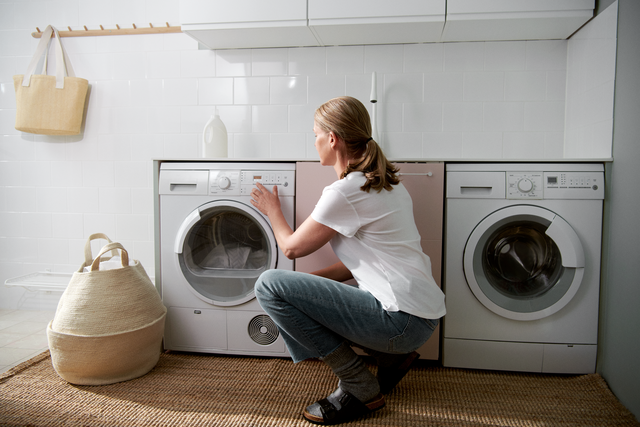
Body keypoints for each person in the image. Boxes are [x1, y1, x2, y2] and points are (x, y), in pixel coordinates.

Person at [250, 96, 445, 425]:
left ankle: (358, 383)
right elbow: (360, 265)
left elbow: (292, 249)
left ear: (332, 139)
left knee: (268, 285)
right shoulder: (387, 185)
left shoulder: (345, 192)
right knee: (293, 293)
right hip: (421, 318)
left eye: (315, 134)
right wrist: (310, 295)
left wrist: (273, 211)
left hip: (400, 321)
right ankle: (390, 358)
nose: (314, 143)